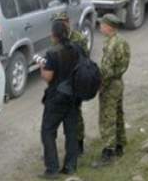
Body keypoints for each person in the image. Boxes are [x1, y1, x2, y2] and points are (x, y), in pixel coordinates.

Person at [39, 19, 81, 178]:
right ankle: (70, 166)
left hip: (56, 98)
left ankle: (52, 169)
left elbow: (48, 77)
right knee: (71, 132)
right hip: (74, 97)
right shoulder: (76, 48)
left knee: (47, 132)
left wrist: (42, 68)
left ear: (54, 35)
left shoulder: (52, 53)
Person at [92, 13, 130, 168]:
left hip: (109, 85)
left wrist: (100, 85)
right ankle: (120, 145)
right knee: (118, 114)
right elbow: (124, 64)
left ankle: (108, 152)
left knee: (107, 117)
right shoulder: (122, 41)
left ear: (109, 27)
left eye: (102, 24)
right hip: (119, 82)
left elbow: (106, 70)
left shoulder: (111, 44)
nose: (100, 27)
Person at [52, 12, 88, 154]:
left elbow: (83, 59)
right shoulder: (58, 38)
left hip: (75, 81)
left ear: (68, 21)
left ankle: (79, 144)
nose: (61, 24)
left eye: (63, 21)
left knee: (75, 114)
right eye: (58, 22)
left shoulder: (78, 38)